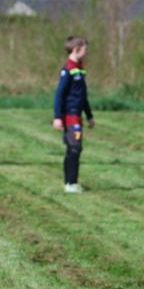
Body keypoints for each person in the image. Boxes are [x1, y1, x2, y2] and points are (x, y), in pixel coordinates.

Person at [53, 35, 95, 193]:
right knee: (74, 148)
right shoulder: (68, 70)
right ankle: (70, 183)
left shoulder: (80, 69)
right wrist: (58, 117)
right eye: (85, 49)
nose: (87, 52)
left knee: (75, 148)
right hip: (70, 117)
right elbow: (59, 95)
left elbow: (82, 96)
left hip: (78, 116)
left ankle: (72, 182)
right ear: (77, 49)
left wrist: (89, 115)